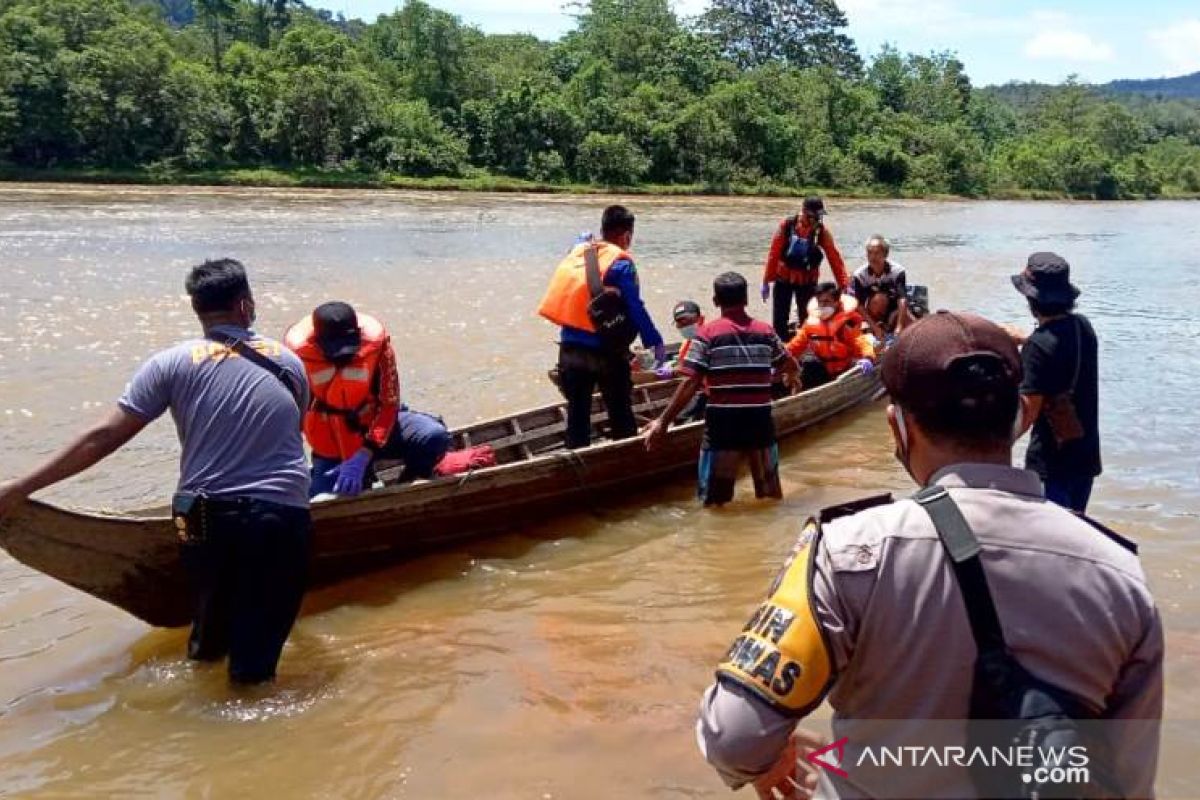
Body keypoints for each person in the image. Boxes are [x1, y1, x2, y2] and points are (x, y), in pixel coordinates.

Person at [696, 311, 1162, 799]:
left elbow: (733, 738)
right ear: (1023, 419)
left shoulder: (848, 551)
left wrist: (778, 761)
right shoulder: (1120, 575)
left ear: (898, 426)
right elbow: (1128, 783)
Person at [0, 259, 313, 684]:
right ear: (246, 306)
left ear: (198, 310)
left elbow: (102, 437)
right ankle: (242, 734)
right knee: (256, 658)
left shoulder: (169, 362)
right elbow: (292, 436)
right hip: (276, 517)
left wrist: (21, 487)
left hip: (196, 518)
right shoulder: (290, 364)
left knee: (208, 628)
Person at [644, 273, 798, 506]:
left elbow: (690, 382)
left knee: (714, 502)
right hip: (759, 418)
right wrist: (791, 377)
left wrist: (663, 422)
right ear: (746, 299)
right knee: (769, 496)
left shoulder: (707, 335)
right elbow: (790, 364)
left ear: (716, 301)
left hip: (723, 422)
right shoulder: (765, 332)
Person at [285, 302, 452, 495]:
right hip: (333, 446)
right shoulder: (295, 361)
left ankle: (408, 484)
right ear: (317, 341)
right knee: (323, 500)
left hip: (379, 429)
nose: (343, 357)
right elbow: (289, 417)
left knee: (434, 436)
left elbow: (389, 404)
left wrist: (364, 454)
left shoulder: (378, 348)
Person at [538, 205, 665, 449]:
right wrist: (654, 341)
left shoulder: (578, 253)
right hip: (605, 352)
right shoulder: (621, 263)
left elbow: (578, 245)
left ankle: (578, 466)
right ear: (627, 235)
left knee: (577, 416)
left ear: (602, 230)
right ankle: (627, 465)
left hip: (570, 350)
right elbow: (635, 307)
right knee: (620, 413)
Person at [1006, 253, 1102, 514]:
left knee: (1049, 544)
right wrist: (1028, 340)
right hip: (1085, 459)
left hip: (1051, 466)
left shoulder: (1038, 347)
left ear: (1031, 299)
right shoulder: (1083, 327)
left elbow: (1026, 414)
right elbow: (1059, 350)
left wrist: (992, 455)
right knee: (1075, 535)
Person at [760, 196, 850, 342]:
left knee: (807, 317)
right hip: (784, 277)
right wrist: (766, 281)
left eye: (819, 216)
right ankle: (780, 347)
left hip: (807, 280)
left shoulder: (821, 232)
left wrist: (844, 284)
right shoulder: (787, 226)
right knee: (779, 318)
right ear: (804, 212)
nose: (817, 219)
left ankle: (806, 348)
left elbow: (834, 258)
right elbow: (774, 253)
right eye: (814, 216)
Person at [784, 282, 875, 389]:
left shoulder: (846, 323)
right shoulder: (810, 324)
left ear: (837, 302)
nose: (822, 306)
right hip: (823, 370)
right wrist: (778, 357)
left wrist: (868, 358)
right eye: (820, 302)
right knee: (808, 363)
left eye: (827, 302)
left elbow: (861, 341)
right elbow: (795, 345)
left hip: (845, 368)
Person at [851, 234, 911, 340]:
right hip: (872, 312)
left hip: (893, 311)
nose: (872, 257)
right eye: (869, 253)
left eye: (877, 253)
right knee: (879, 299)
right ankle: (878, 329)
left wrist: (899, 326)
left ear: (885, 254)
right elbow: (858, 305)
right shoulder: (860, 275)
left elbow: (902, 299)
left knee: (913, 323)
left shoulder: (897, 271)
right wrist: (874, 327)